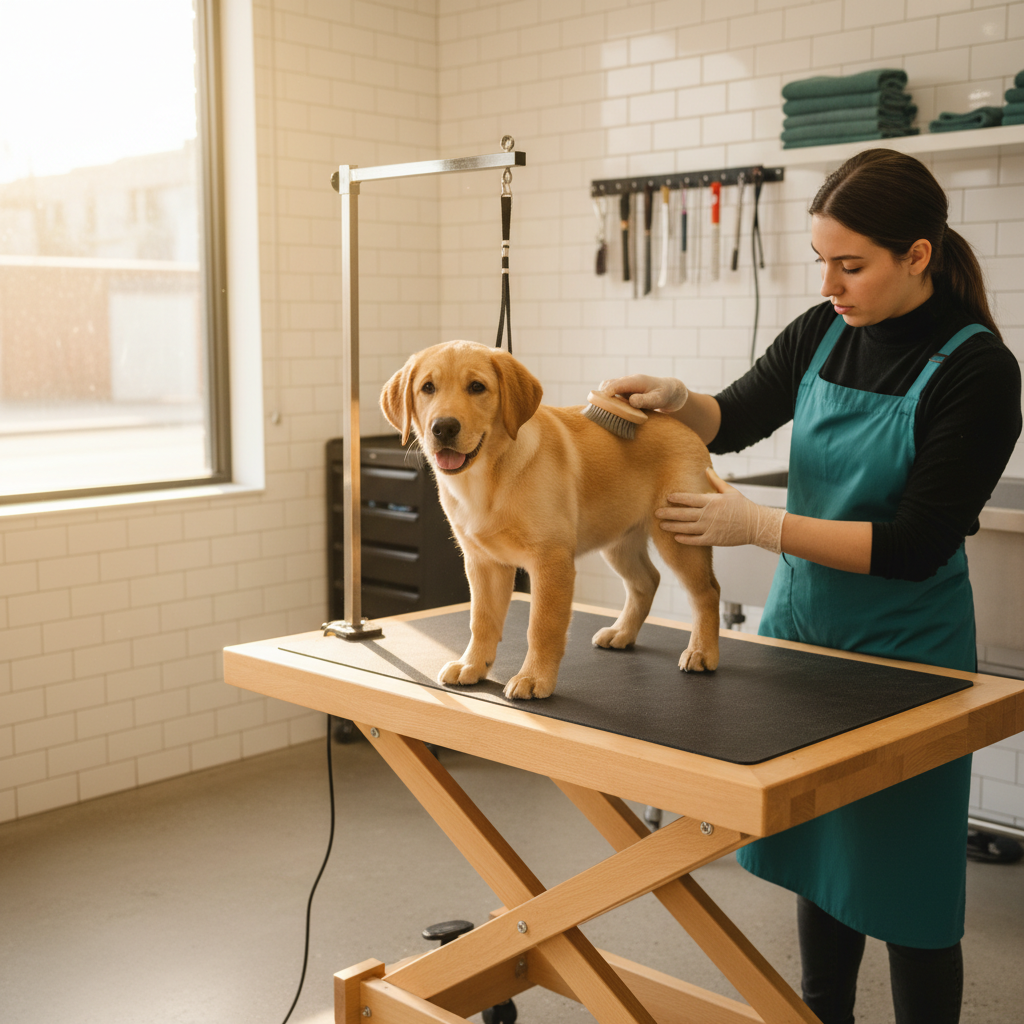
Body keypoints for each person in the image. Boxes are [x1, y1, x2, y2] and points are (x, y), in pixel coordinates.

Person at [596, 149, 1022, 1024]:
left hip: (907, 660)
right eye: (821, 260)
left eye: (850, 265)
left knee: (908, 884)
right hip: (803, 641)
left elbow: (915, 545)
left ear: (917, 255)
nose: (830, 284)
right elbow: (737, 419)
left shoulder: (979, 370)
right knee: (822, 863)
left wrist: (761, 527)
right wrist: (679, 398)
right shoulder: (824, 330)